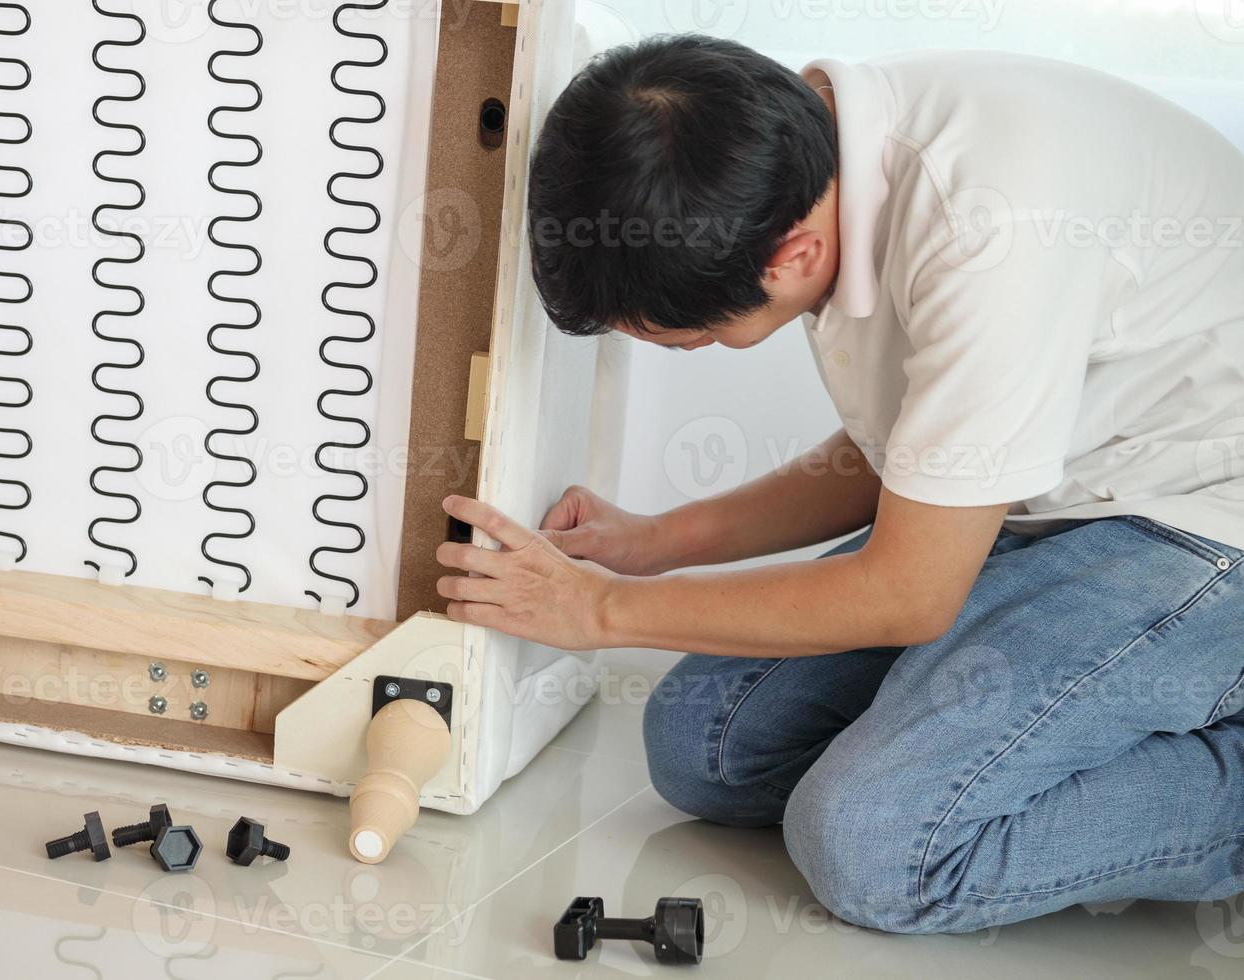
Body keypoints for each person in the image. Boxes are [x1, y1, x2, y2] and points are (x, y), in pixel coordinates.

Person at [434, 34, 1244, 934]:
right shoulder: (805, 153)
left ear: (792, 256)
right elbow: (912, 453)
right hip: (1047, 500)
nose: (671, 348)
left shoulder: (991, 226)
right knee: (702, 747)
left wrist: (601, 611)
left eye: (678, 337)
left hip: (1201, 527)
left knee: (874, 845)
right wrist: (657, 543)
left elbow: (908, 592)